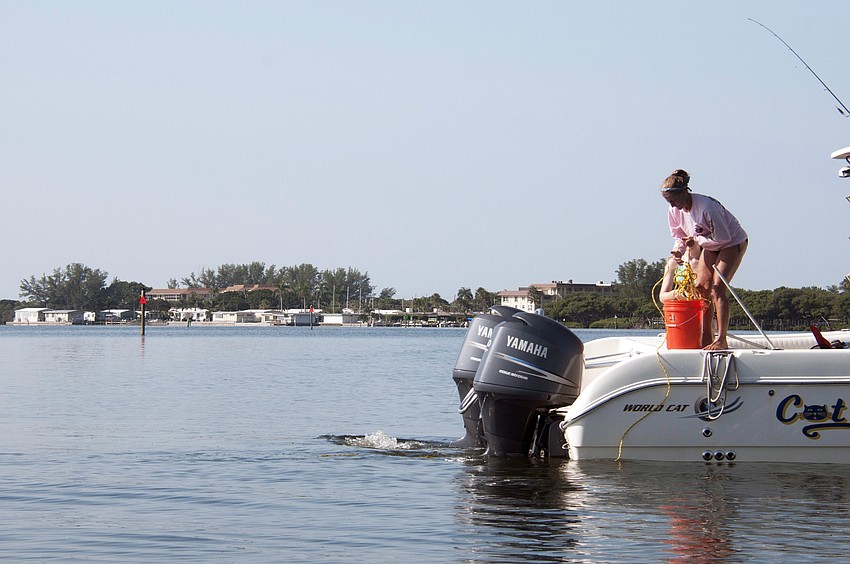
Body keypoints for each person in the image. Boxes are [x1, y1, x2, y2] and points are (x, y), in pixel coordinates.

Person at [661, 169, 747, 350]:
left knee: (717, 289)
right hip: (709, 246)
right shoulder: (674, 210)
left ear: (685, 192)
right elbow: (679, 235)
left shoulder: (707, 208)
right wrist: (679, 250)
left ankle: (721, 339)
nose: (673, 206)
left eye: (675, 201)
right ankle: (705, 337)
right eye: (669, 202)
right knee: (701, 289)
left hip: (731, 243)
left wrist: (696, 241)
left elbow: (723, 238)